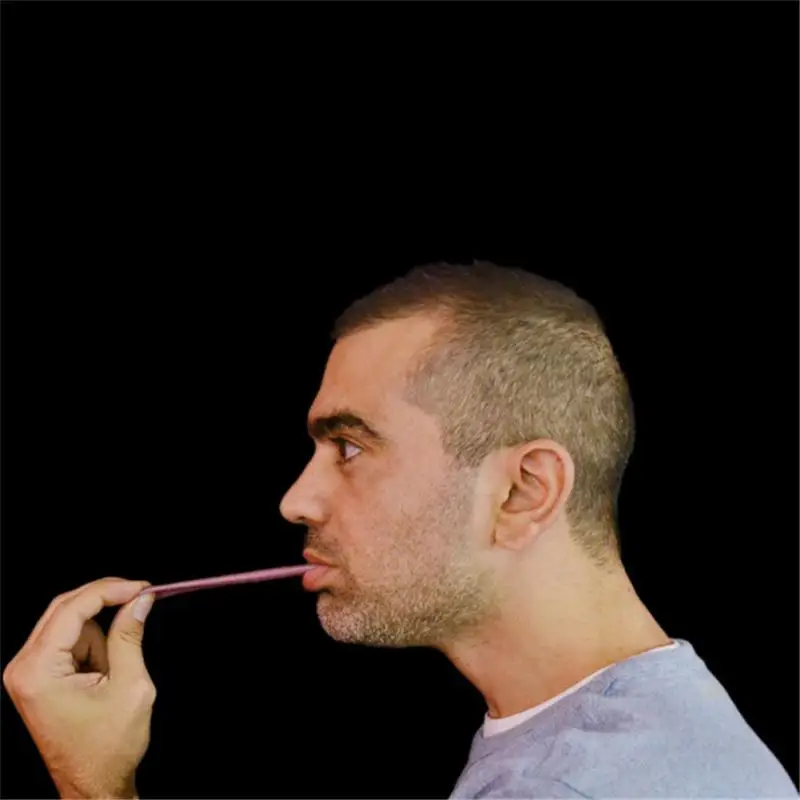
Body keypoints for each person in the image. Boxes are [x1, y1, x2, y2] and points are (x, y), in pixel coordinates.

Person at [4, 262, 797, 799]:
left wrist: (91, 786)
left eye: (350, 448)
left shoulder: (569, 787)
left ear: (523, 491)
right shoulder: (641, 727)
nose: (295, 501)